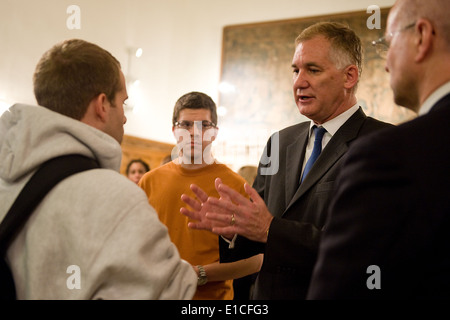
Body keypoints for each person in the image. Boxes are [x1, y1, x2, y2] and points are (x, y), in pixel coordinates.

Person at [181, 22, 393, 299]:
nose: (299, 82)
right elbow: (258, 235)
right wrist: (233, 228)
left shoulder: (384, 144)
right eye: (295, 70)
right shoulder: (279, 143)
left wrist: (270, 229)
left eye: (313, 70)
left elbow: (361, 249)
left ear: (349, 76)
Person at [0, 39, 197, 299]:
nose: (125, 117)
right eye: (123, 102)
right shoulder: (115, 197)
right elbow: (172, 292)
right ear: (102, 105)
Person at [307, 0, 450, 299]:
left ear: (421, 37)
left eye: (388, 44)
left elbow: (342, 288)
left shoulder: (388, 153)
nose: (385, 63)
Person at [139, 92, 263, 300]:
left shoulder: (235, 185)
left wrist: (200, 274)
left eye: (204, 125)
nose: (194, 133)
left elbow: (256, 260)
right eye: (186, 124)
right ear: (174, 130)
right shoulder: (149, 182)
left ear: (214, 132)